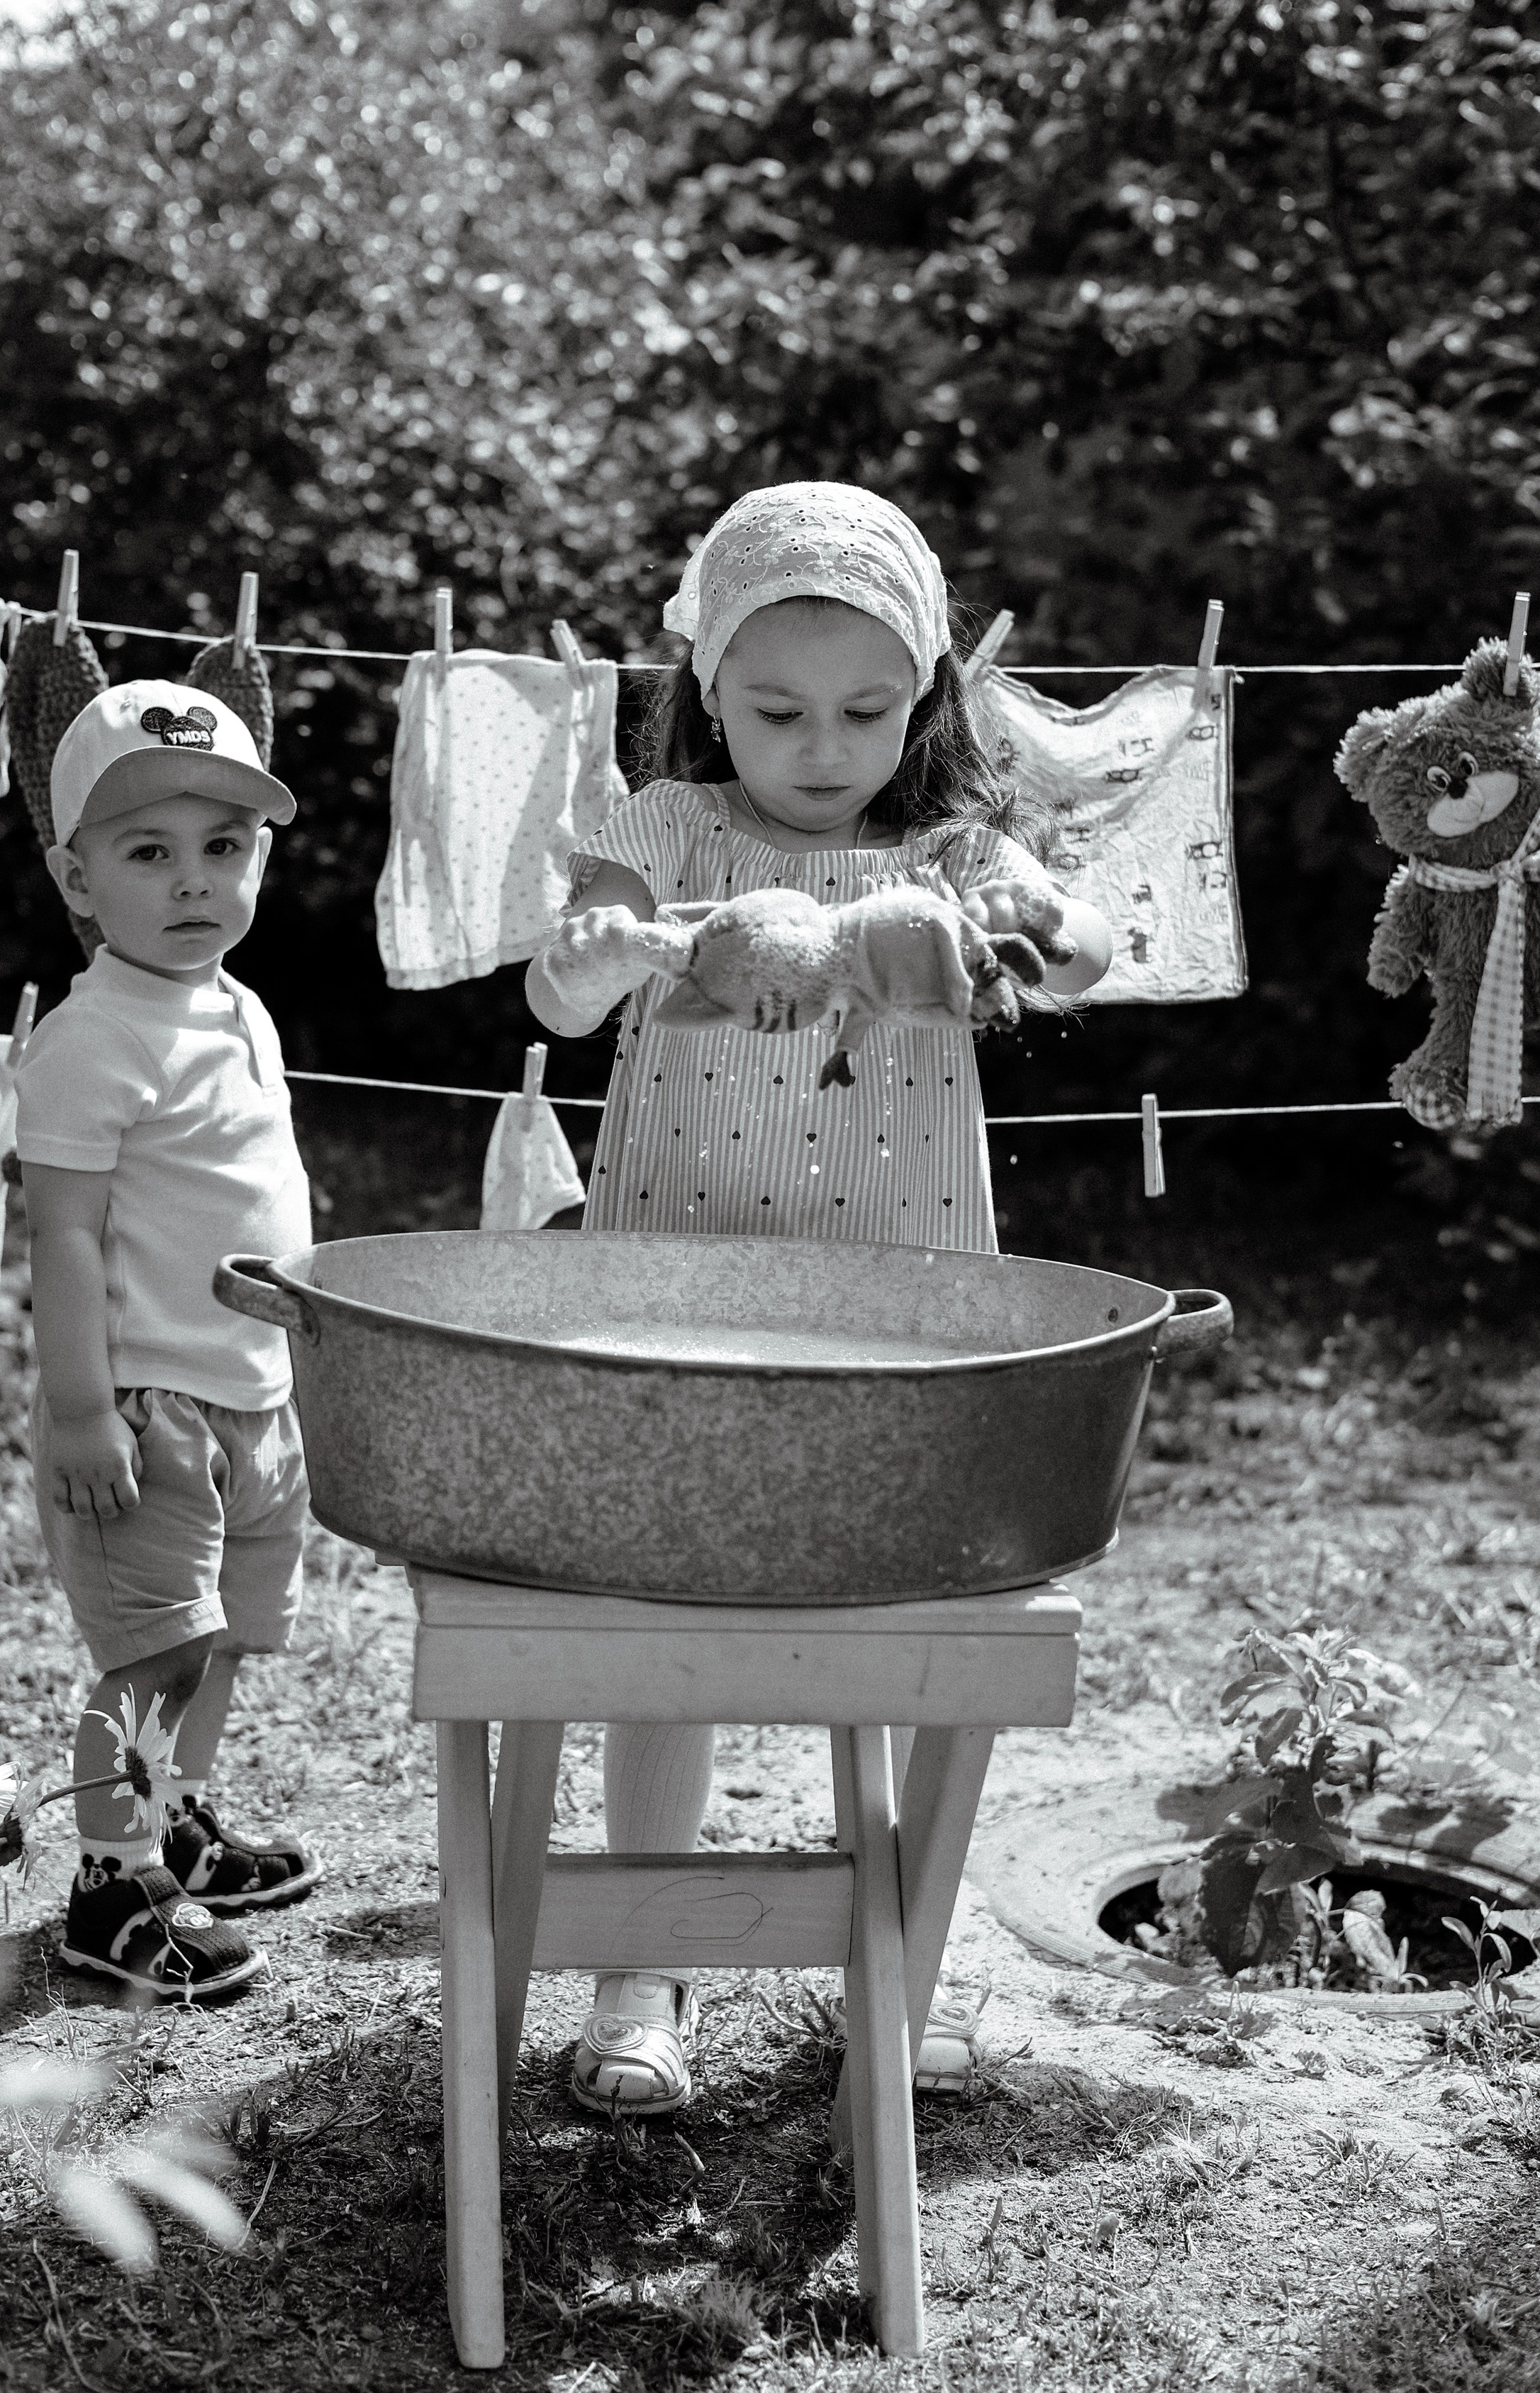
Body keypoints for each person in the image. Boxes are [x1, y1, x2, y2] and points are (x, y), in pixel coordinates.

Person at [526, 482, 1112, 2112]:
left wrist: (1035, 924)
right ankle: (643, 1961)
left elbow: (1085, 960)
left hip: (900, 1303)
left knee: (915, 1623)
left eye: (864, 709)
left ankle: (899, 1957)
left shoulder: (947, 854)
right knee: (666, 1607)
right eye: (775, 708)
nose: (819, 744)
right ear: (707, 688)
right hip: (681, 1285)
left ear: (920, 696)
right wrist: (614, 949)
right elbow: (557, 980)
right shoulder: (662, 828)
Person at [16, 682, 321, 2002]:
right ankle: (110, 1880)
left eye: (224, 848)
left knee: (225, 1637)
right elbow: (68, 1240)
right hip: (146, 1410)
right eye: (149, 852)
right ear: (75, 876)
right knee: (149, 1651)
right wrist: (82, 1409)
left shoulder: (237, 1007)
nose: (193, 881)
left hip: (251, 1396)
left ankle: (176, 1814)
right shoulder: (91, 1040)